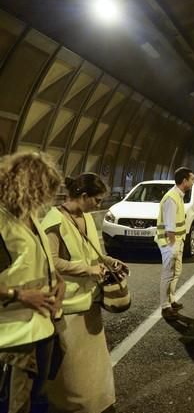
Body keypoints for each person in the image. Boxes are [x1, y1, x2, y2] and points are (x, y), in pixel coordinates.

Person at [42, 173, 126, 412]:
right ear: (83, 196)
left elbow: (93, 252)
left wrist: (111, 261)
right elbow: (52, 262)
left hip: (91, 301)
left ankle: (97, 404)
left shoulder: (87, 218)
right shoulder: (53, 221)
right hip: (68, 307)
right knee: (73, 373)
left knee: (95, 368)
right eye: (97, 200)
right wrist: (88, 270)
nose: (99, 206)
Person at [0, 152, 65, 413]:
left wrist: (57, 281)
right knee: (16, 404)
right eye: (41, 191)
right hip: (12, 337)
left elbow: (35, 262)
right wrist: (21, 295)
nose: (44, 199)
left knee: (35, 399)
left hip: (42, 326)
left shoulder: (30, 217)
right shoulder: (2, 224)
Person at [157, 167, 194, 320]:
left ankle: (171, 300)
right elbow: (170, 227)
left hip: (177, 241)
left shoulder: (178, 195)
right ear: (184, 181)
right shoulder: (172, 198)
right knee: (167, 274)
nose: (193, 181)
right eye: (192, 179)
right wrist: (173, 247)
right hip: (169, 243)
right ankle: (165, 306)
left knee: (176, 272)